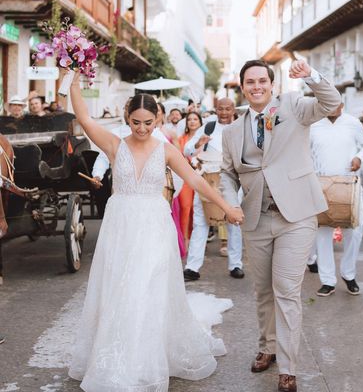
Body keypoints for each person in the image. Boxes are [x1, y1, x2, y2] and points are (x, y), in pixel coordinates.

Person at [67, 74, 244, 391]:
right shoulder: (113, 144)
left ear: (158, 118)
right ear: (127, 118)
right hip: (119, 226)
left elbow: (197, 182)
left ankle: (146, 359)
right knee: (119, 288)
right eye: (136, 122)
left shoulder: (167, 151)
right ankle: (118, 356)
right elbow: (82, 116)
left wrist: (227, 207)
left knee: (146, 289)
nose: (142, 129)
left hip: (153, 226)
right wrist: (73, 80)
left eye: (148, 122)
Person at [220, 59, 340, 392]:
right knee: (261, 291)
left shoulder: (293, 106)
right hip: (255, 218)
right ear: (242, 87)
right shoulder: (231, 132)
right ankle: (267, 346)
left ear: (271, 85)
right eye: (250, 82)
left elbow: (331, 104)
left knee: (286, 290)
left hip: (297, 216)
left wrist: (312, 77)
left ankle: (288, 368)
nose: (256, 86)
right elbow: (228, 174)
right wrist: (230, 203)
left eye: (262, 81)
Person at [309, 103, 363, 297]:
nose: (331, 106)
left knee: (355, 230)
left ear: (342, 105)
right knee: (323, 232)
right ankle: (327, 280)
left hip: (349, 184)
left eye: (335, 102)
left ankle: (349, 274)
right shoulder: (313, 124)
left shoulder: (352, 123)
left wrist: (359, 158)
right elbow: (303, 152)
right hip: (321, 185)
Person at [183, 98, 244, 280]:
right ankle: (192, 267)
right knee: (200, 223)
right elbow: (187, 151)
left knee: (234, 223)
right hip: (207, 181)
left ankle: (236, 265)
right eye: (220, 109)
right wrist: (197, 144)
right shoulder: (207, 128)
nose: (224, 113)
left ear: (233, 109)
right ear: (215, 110)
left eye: (227, 109)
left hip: (232, 182)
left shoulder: (241, 127)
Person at [177, 112, 203, 248]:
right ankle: (184, 239)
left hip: (202, 177)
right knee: (185, 207)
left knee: (197, 209)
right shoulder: (181, 139)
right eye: (190, 119)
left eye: (195, 119)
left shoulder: (205, 139)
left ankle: (195, 240)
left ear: (200, 122)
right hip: (185, 178)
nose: (192, 122)